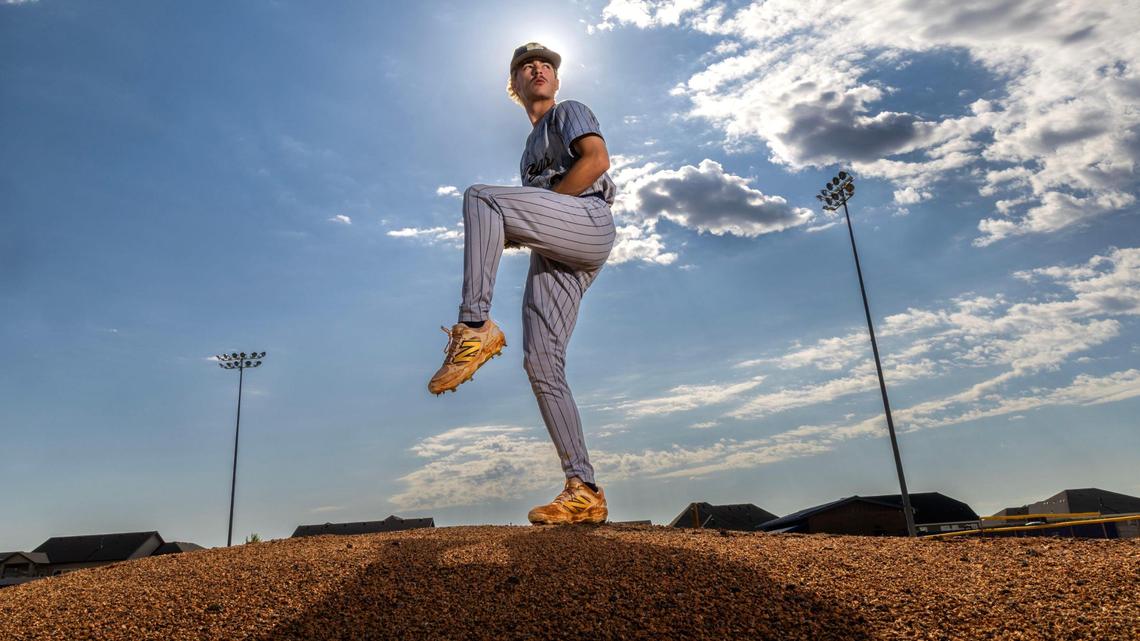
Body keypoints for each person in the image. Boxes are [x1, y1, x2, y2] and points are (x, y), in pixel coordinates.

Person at [428, 42, 616, 525]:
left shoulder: (568, 113)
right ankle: (584, 490)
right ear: (513, 86)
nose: (538, 68)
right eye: (526, 66)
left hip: (589, 221)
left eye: (547, 64)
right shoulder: (528, 153)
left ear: (555, 79)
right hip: (557, 248)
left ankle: (475, 325)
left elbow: (595, 161)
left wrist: (532, 214)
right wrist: (517, 226)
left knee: (480, 197)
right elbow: (527, 213)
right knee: (541, 362)